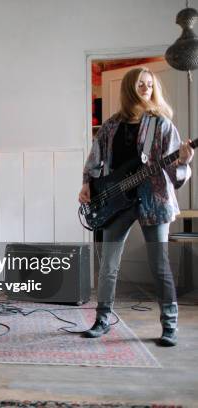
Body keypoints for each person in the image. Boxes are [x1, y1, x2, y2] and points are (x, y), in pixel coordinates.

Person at [79, 67, 194, 346]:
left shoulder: (163, 124)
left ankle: (169, 325)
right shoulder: (110, 126)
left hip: (154, 201)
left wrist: (183, 161)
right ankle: (102, 319)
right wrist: (86, 184)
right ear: (130, 87)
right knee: (108, 265)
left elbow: (177, 172)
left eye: (150, 84)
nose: (146, 88)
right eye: (140, 84)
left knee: (160, 266)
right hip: (116, 202)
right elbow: (95, 160)